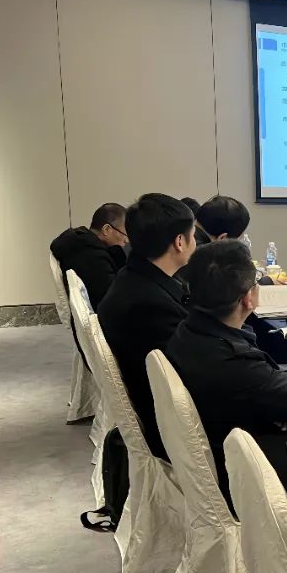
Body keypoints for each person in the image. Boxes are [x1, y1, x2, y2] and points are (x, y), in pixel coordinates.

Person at [165, 240, 287, 528]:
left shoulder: (188, 331)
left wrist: (277, 399)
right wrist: (281, 395)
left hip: (243, 444)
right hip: (270, 472)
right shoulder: (234, 362)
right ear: (248, 299)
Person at [98, 194, 196, 460]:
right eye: (193, 235)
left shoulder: (132, 278)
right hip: (173, 429)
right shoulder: (149, 304)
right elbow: (197, 373)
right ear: (179, 242)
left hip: (157, 406)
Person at [50, 203, 128, 309]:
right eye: (125, 234)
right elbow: (115, 300)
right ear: (106, 229)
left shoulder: (80, 243)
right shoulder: (94, 258)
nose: (126, 240)